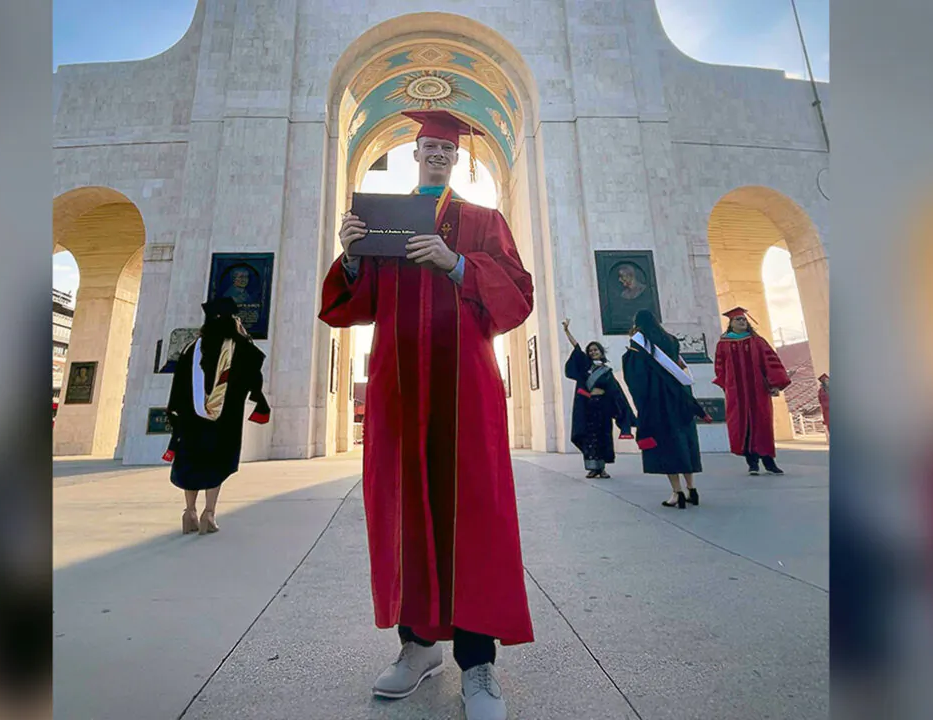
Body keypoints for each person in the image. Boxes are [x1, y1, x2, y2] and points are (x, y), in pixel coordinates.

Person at [319, 109, 533, 720]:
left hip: (467, 390)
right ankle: (417, 647)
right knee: (403, 510)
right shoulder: (386, 222)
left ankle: (478, 661)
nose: (436, 154)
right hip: (399, 388)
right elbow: (354, 305)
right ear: (413, 155)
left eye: (446, 148)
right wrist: (353, 256)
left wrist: (457, 262)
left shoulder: (484, 221)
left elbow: (519, 295)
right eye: (428, 147)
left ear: (457, 158)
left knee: (474, 514)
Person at [164, 296, 270, 535]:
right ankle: (208, 514)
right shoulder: (239, 347)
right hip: (224, 420)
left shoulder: (192, 349)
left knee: (191, 462)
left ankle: (189, 512)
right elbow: (255, 366)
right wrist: (244, 336)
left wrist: (177, 412)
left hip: (191, 419)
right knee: (216, 463)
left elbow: (178, 383)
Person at [622, 310, 710, 509]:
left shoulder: (639, 345)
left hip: (658, 402)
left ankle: (677, 492)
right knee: (685, 442)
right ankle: (692, 489)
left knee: (668, 445)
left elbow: (638, 379)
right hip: (680, 398)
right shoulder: (671, 340)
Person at [712, 307, 792, 475]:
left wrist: (774, 384)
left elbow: (770, 363)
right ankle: (752, 463)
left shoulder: (758, 342)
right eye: (738, 319)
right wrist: (727, 385)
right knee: (743, 427)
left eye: (744, 319)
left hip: (758, 390)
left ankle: (769, 463)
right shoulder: (723, 344)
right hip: (737, 393)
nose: (742, 322)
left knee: (763, 425)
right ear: (731, 323)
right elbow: (720, 368)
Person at [561, 318, 636, 478]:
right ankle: (592, 468)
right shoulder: (586, 366)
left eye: (596, 350)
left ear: (601, 352)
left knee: (602, 436)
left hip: (602, 408)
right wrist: (567, 331)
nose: (593, 352)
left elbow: (615, 392)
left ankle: (602, 469)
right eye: (591, 351)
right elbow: (576, 347)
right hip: (588, 406)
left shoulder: (607, 371)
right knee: (589, 438)